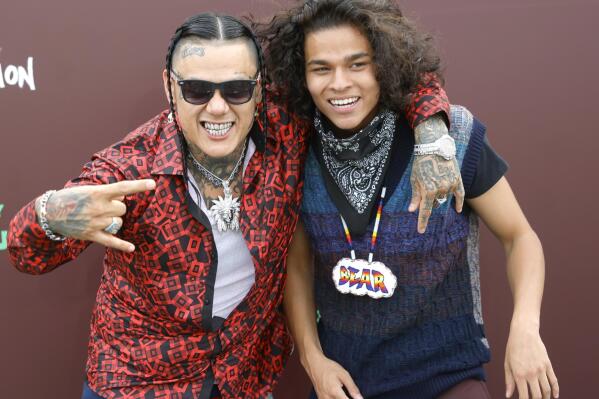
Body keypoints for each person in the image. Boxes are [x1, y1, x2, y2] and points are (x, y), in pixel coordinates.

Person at [7, 10, 456, 399]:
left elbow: (398, 74)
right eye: (198, 90)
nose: (218, 108)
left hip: (242, 378)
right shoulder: (131, 168)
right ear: (169, 87)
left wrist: (434, 135)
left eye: (236, 89)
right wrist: (50, 214)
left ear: (260, 90)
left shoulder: (286, 129)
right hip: (137, 381)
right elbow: (28, 254)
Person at [259, 1, 560, 399]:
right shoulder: (297, 152)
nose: (339, 83)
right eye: (321, 69)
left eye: (357, 64)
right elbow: (295, 265)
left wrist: (525, 328)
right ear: (302, 75)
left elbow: (519, 236)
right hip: (344, 384)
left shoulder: (452, 137)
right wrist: (314, 361)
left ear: (384, 64)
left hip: (446, 378)